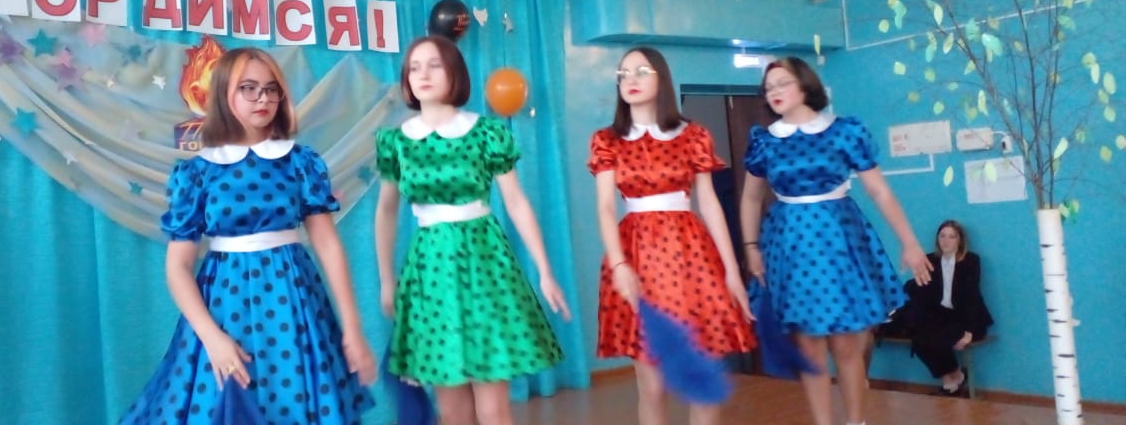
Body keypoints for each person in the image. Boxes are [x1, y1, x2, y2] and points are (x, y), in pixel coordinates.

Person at [120, 47, 376, 425]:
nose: (263, 99)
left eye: (271, 89)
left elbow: (327, 244)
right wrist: (212, 338)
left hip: (294, 302)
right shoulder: (197, 172)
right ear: (224, 93)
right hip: (225, 306)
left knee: (298, 403)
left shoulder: (300, 161)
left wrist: (352, 329)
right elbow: (178, 268)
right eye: (249, 88)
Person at [374, 35, 569, 425]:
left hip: (484, 263)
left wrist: (545, 270)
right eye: (414, 68)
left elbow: (516, 201)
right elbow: (386, 212)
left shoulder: (485, 132)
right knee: (452, 409)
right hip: (430, 270)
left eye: (434, 65)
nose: (423, 75)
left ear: (454, 73)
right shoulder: (395, 142)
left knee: (493, 406)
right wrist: (386, 280)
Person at [739, 56, 933, 425]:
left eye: (782, 83)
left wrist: (909, 242)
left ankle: (856, 421)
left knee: (847, 343)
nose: (774, 91)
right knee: (809, 345)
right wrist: (751, 248)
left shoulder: (844, 131)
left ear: (804, 84)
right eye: (768, 87)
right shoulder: (765, 141)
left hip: (839, 241)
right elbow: (750, 198)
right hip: (790, 245)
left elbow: (879, 191)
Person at [589, 47, 755, 425]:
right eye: (623, 73)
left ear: (661, 78)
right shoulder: (607, 140)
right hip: (636, 254)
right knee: (651, 387)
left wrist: (731, 271)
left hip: (690, 254)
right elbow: (604, 207)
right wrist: (619, 264)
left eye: (641, 71)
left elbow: (709, 203)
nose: (630, 79)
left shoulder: (693, 135)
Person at [906, 219, 993, 396]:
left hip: (966, 318)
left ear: (960, 240)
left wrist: (969, 331)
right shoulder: (930, 260)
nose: (946, 241)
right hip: (941, 317)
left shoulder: (970, 261)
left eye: (952, 237)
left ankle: (952, 383)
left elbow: (972, 296)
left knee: (939, 338)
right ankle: (953, 378)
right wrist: (916, 278)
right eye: (942, 236)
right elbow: (915, 288)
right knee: (920, 340)